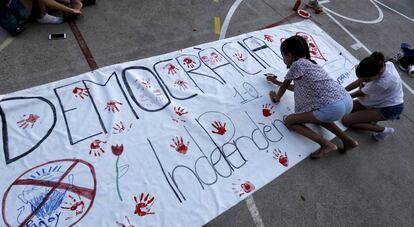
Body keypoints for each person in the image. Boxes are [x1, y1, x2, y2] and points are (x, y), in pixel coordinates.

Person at [267, 35, 358, 159]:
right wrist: (276, 82)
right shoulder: (311, 64)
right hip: (346, 100)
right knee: (320, 117)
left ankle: (326, 144)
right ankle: (349, 141)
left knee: (290, 121)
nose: (283, 59)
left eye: (283, 56)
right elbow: (296, 88)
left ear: (289, 55)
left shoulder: (296, 65)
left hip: (333, 108)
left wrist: (276, 98)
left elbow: (284, 87)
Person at [342, 52, 404, 141]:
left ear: (378, 73)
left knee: (346, 120)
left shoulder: (383, 82)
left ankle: (384, 130)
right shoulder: (382, 65)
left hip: (390, 108)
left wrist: (340, 96)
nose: (364, 80)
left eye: (366, 79)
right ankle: (370, 118)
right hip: (379, 99)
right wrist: (342, 91)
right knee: (346, 107)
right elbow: (359, 81)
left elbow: (360, 92)